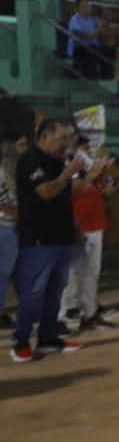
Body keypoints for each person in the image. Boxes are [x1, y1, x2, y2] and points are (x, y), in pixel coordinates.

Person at [12, 120, 109, 360]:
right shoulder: (30, 160)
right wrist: (69, 169)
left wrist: (91, 176)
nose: (65, 144)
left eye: (67, 139)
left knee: (55, 292)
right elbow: (47, 191)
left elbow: (67, 190)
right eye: (61, 139)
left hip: (60, 237)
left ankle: (48, 338)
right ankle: (21, 342)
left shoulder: (56, 161)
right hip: (38, 239)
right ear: (45, 137)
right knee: (33, 293)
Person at [60, 135, 116, 330]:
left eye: (72, 138)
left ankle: (90, 315)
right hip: (75, 224)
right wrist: (93, 173)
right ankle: (63, 317)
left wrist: (102, 176)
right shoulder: (62, 162)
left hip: (94, 223)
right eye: (67, 137)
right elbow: (71, 189)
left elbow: (105, 187)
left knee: (91, 272)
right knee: (67, 274)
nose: (70, 141)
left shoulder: (83, 160)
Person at [0, 137, 19, 329]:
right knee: (2, 273)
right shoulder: (1, 175)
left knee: (8, 273)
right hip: (4, 227)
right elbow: (3, 204)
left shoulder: (11, 174)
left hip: (12, 228)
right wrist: (23, 216)